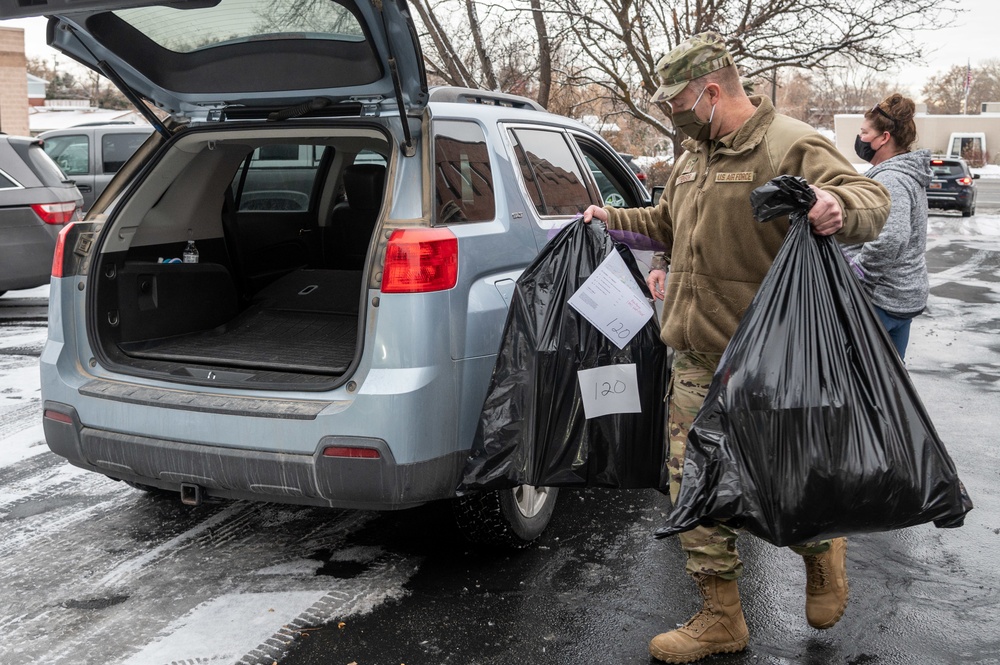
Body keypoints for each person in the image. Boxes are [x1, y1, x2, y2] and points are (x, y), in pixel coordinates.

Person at [581, 32, 891, 663]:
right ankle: (721, 618)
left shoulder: (788, 143)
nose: (673, 114)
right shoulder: (694, 155)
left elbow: (870, 200)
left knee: (782, 481)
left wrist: (836, 205)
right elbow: (667, 222)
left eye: (677, 102)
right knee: (690, 483)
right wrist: (610, 219)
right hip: (695, 355)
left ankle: (820, 549)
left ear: (712, 92)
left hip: (769, 359)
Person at [844, 94, 932, 360]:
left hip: (881, 299)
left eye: (864, 132)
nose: (860, 139)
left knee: (859, 380)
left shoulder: (891, 178)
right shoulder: (905, 174)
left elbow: (891, 238)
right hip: (900, 295)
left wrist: (857, 273)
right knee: (890, 380)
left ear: (883, 137)